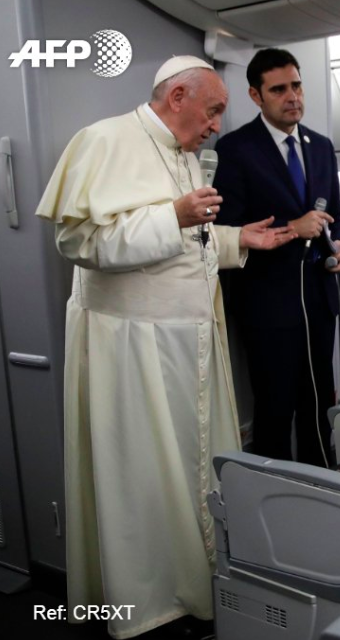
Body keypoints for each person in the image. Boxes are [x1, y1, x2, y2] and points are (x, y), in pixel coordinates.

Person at [35, 56, 296, 639]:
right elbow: (78, 239)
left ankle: (195, 586)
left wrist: (237, 239)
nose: (215, 126)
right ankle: (147, 603)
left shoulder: (183, 154)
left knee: (191, 472)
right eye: (213, 110)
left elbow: (186, 245)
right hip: (135, 353)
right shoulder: (102, 140)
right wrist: (174, 214)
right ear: (178, 95)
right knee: (144, 482)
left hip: (191, 345)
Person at [214, 48, 340, 468]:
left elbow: (335, 216)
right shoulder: (235, 150)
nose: (292, 96)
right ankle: (274, 504)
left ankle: (323, 488)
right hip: (268, 307)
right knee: (274, 412)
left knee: (319, 406)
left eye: (296, 85)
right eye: (278, 89)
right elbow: (230, 230)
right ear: (256, 96)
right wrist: (294, 227)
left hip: (318, 302)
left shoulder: (321, 147)